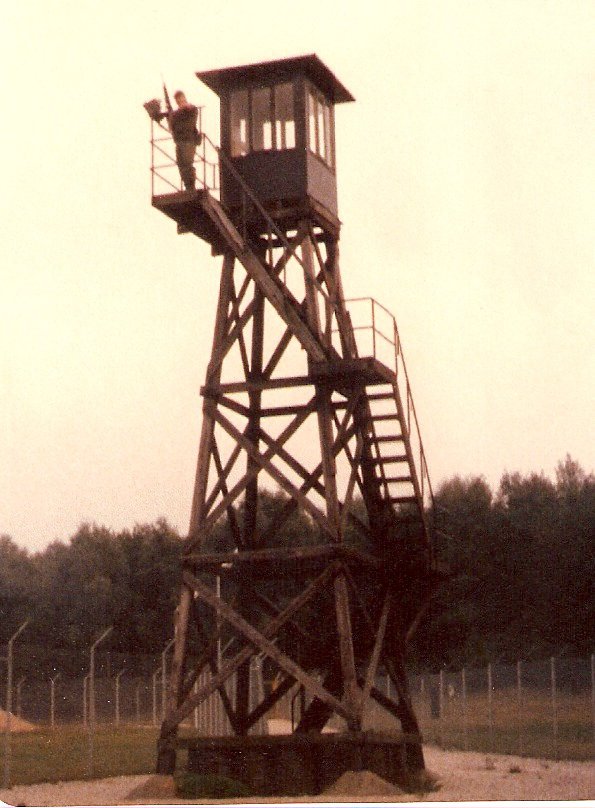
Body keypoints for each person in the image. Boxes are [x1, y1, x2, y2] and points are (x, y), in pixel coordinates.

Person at [164, 90, 202, 191]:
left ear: (184, 98)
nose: (179, 101)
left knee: (187, 164)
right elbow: (172, 126)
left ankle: (191, 187)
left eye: (180, 98)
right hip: (180, 142)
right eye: (177, 100)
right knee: (181, 164)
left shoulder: (190, 109)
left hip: (188, 141)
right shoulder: (176, 114)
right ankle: (188, 187)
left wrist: (172, 114)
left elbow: (188, 109)